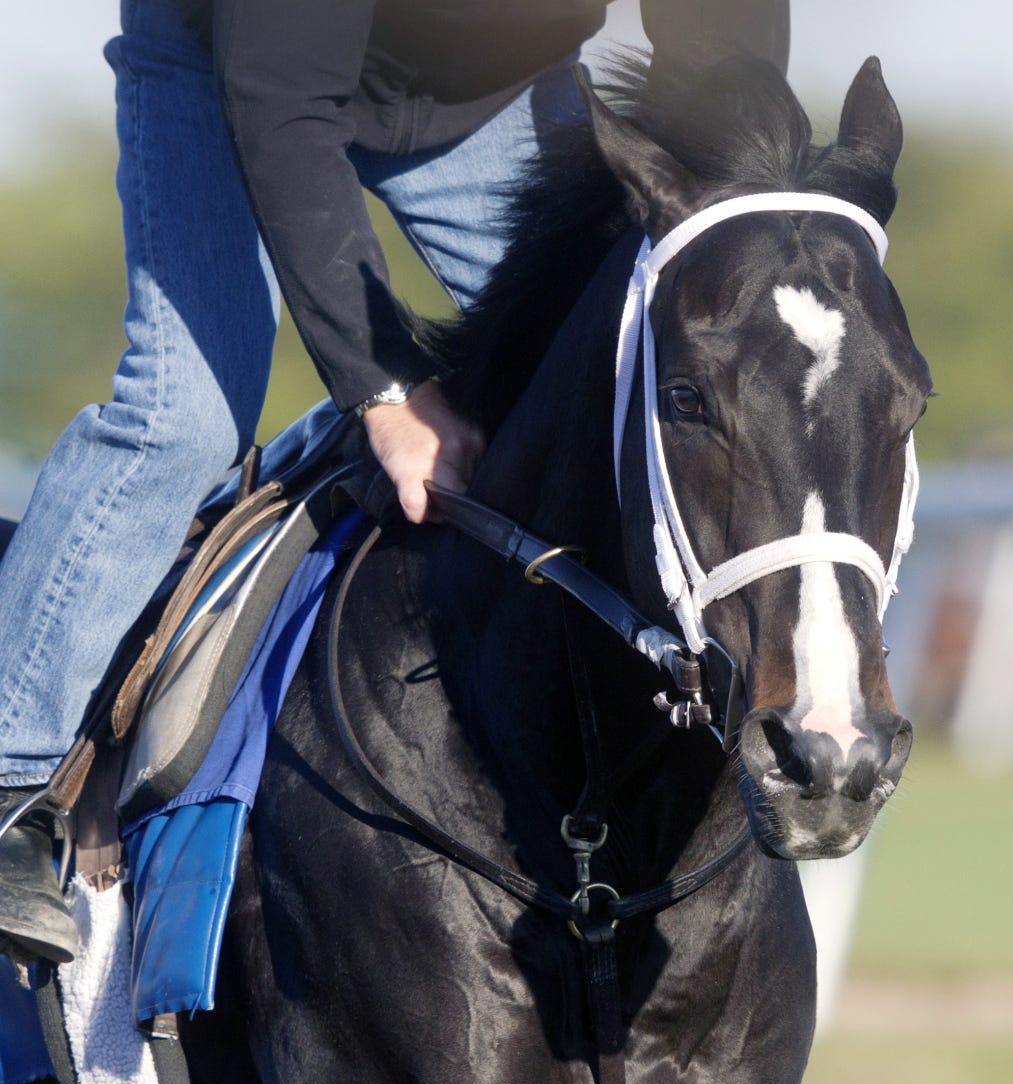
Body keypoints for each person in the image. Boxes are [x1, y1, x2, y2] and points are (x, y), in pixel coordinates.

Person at [0, 0, 789, 971]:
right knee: (186, 420)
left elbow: (726, 31)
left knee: (637, 380)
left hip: (490, 96)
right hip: (232, 71)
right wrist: (384, 390)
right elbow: (281, 102)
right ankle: (12, 777)